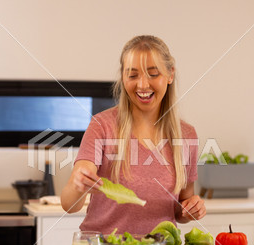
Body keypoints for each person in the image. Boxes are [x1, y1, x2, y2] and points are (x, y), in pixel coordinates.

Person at [61, 35, 206, 234]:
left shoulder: (187, 135)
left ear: (170, 74)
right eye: (133, 75)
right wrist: (79, 184)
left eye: (153, 74)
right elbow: (69, 205)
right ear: (123, 76)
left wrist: (191, 210)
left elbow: (181, 207)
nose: (143, 85)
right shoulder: (102, 126)